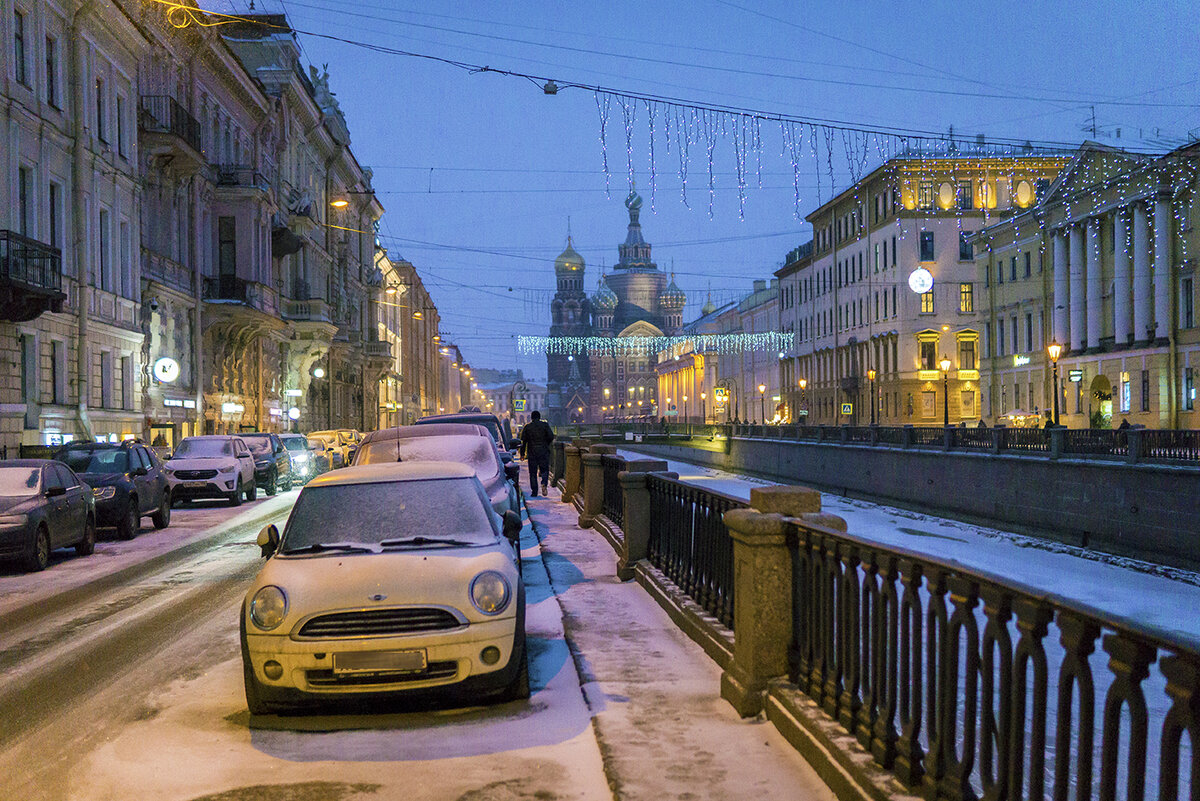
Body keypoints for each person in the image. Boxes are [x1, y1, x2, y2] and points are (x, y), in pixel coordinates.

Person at [519, 410, 555, 498]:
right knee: (544, 470)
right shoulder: (545, 425)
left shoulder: (527, 427)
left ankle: (534, 491)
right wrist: (546, 444)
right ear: (539, 417)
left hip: (532, 453)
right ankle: (544, 483)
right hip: (543, 451)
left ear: (531, 418)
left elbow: (523, 442)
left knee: (533, 473)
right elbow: (551, 436)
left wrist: (522, 454)